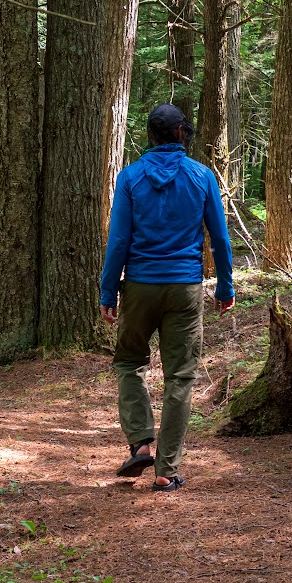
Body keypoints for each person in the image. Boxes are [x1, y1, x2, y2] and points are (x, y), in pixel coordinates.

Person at [99, 103, 236, 491]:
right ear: (180, 133)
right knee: (180, 377)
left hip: (139, 286)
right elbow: (220, 239)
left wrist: (108, 291)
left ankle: (141, 443)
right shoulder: (202, 176)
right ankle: (166, 469)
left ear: (151, 135)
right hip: (184, 288)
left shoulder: (129, 177)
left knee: (129, 363)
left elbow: (119, 241)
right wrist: (225, 286)